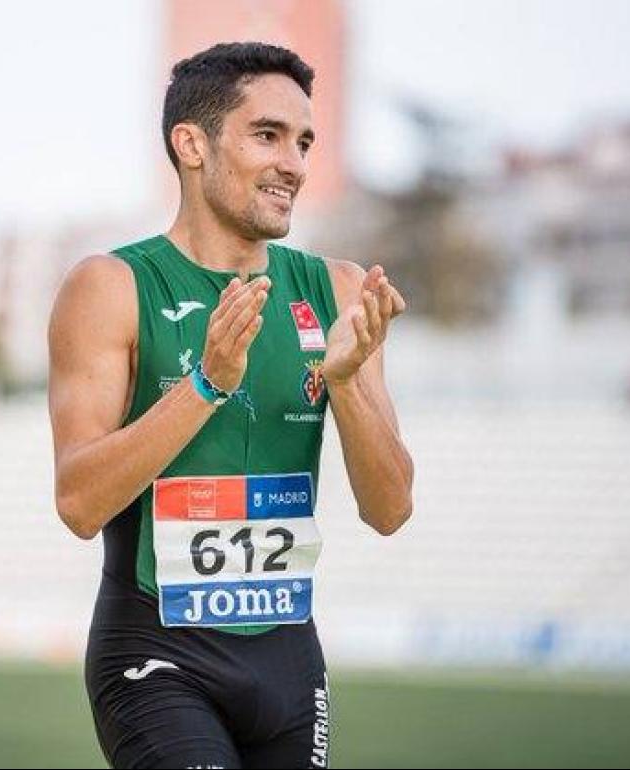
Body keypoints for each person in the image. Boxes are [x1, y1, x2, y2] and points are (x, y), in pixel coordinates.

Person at [48, 42, 415, 768]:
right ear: (191, 144)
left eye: (304, 141)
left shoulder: (337, 292)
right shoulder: (110, 287)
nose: (295, 164)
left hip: (288, 661)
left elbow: (391, 508)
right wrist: (207, 384)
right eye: (267, 135)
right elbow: (79, 502)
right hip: (156, 654)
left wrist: (344, 382)